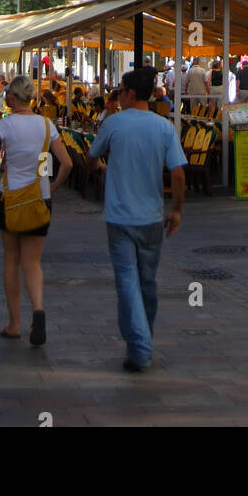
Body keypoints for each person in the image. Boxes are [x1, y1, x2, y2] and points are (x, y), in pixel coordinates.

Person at [89, 66, 187, 373]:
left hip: (120, 217)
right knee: (147, 281)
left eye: (120, 91)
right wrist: (177, 209)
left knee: (127, 282)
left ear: (131, 93)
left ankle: (140, 346)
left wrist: (103, 168)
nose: (118, 96)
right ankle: (142, 340)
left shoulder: (114, 123)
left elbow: (92, 156)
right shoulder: (164, 127)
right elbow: (179, 172)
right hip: (152, 218)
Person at [0, 73, 72, 344]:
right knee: (33, 263)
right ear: (33, 98)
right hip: (39, 198)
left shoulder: (6, 125)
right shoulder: (47, 125)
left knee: (11, 261)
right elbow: (67, 163)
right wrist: (54, 187)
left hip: (10, 197)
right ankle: (38, 309)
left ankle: (14, 324)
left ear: (13, 97)